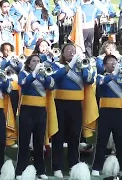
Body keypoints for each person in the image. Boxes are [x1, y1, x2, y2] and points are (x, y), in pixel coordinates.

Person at [51, 43, 96, 178]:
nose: (71, 52)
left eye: (73, 51)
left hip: (76, 105)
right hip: (60, 104)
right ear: (63, 53)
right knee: (58, 136)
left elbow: (89, 80)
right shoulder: (56, 65)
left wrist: (84, 68)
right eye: (68, 50)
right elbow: (55, 77)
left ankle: (73, 165)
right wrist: (70, 66)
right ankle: (57, 167)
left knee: (74, 136)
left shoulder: (81, 66)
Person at [91, 54, 122, 176]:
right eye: (110, 62)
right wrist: (114, 74)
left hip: (119, 112)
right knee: (102, 141)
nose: (113, 64)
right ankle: (96, 167)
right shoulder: (101, 76)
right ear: (105, 65)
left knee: (120, 141)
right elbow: (101, 84)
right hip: (105, 112)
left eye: (115, 62)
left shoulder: (121, 76)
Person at [15, 54, 55, 180]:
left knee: (39, 142)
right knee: (24, 142)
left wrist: (45, 76)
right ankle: (20, 170)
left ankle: (40, 170)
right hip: (27, 110)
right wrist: (35, 74)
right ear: (29, 63)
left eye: (38, 61)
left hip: (41, 111)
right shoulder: (23, 73)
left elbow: (51, 86)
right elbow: (23, 85)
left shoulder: (43, 74)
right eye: (34, 61)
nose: (37, 63)